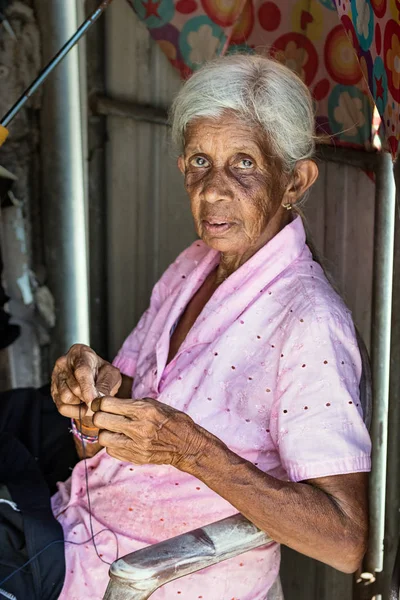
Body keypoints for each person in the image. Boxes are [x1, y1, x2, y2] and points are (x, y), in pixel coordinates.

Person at [51, 54, 370, 599]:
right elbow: (128, 418)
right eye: (200, 161)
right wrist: (97, 390)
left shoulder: (308, 321)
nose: (214, 190)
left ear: (295, 180)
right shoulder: (194, 264)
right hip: (80, 535)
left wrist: (192, 451)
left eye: (243, 163)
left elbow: (344, 541)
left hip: (165, 581)